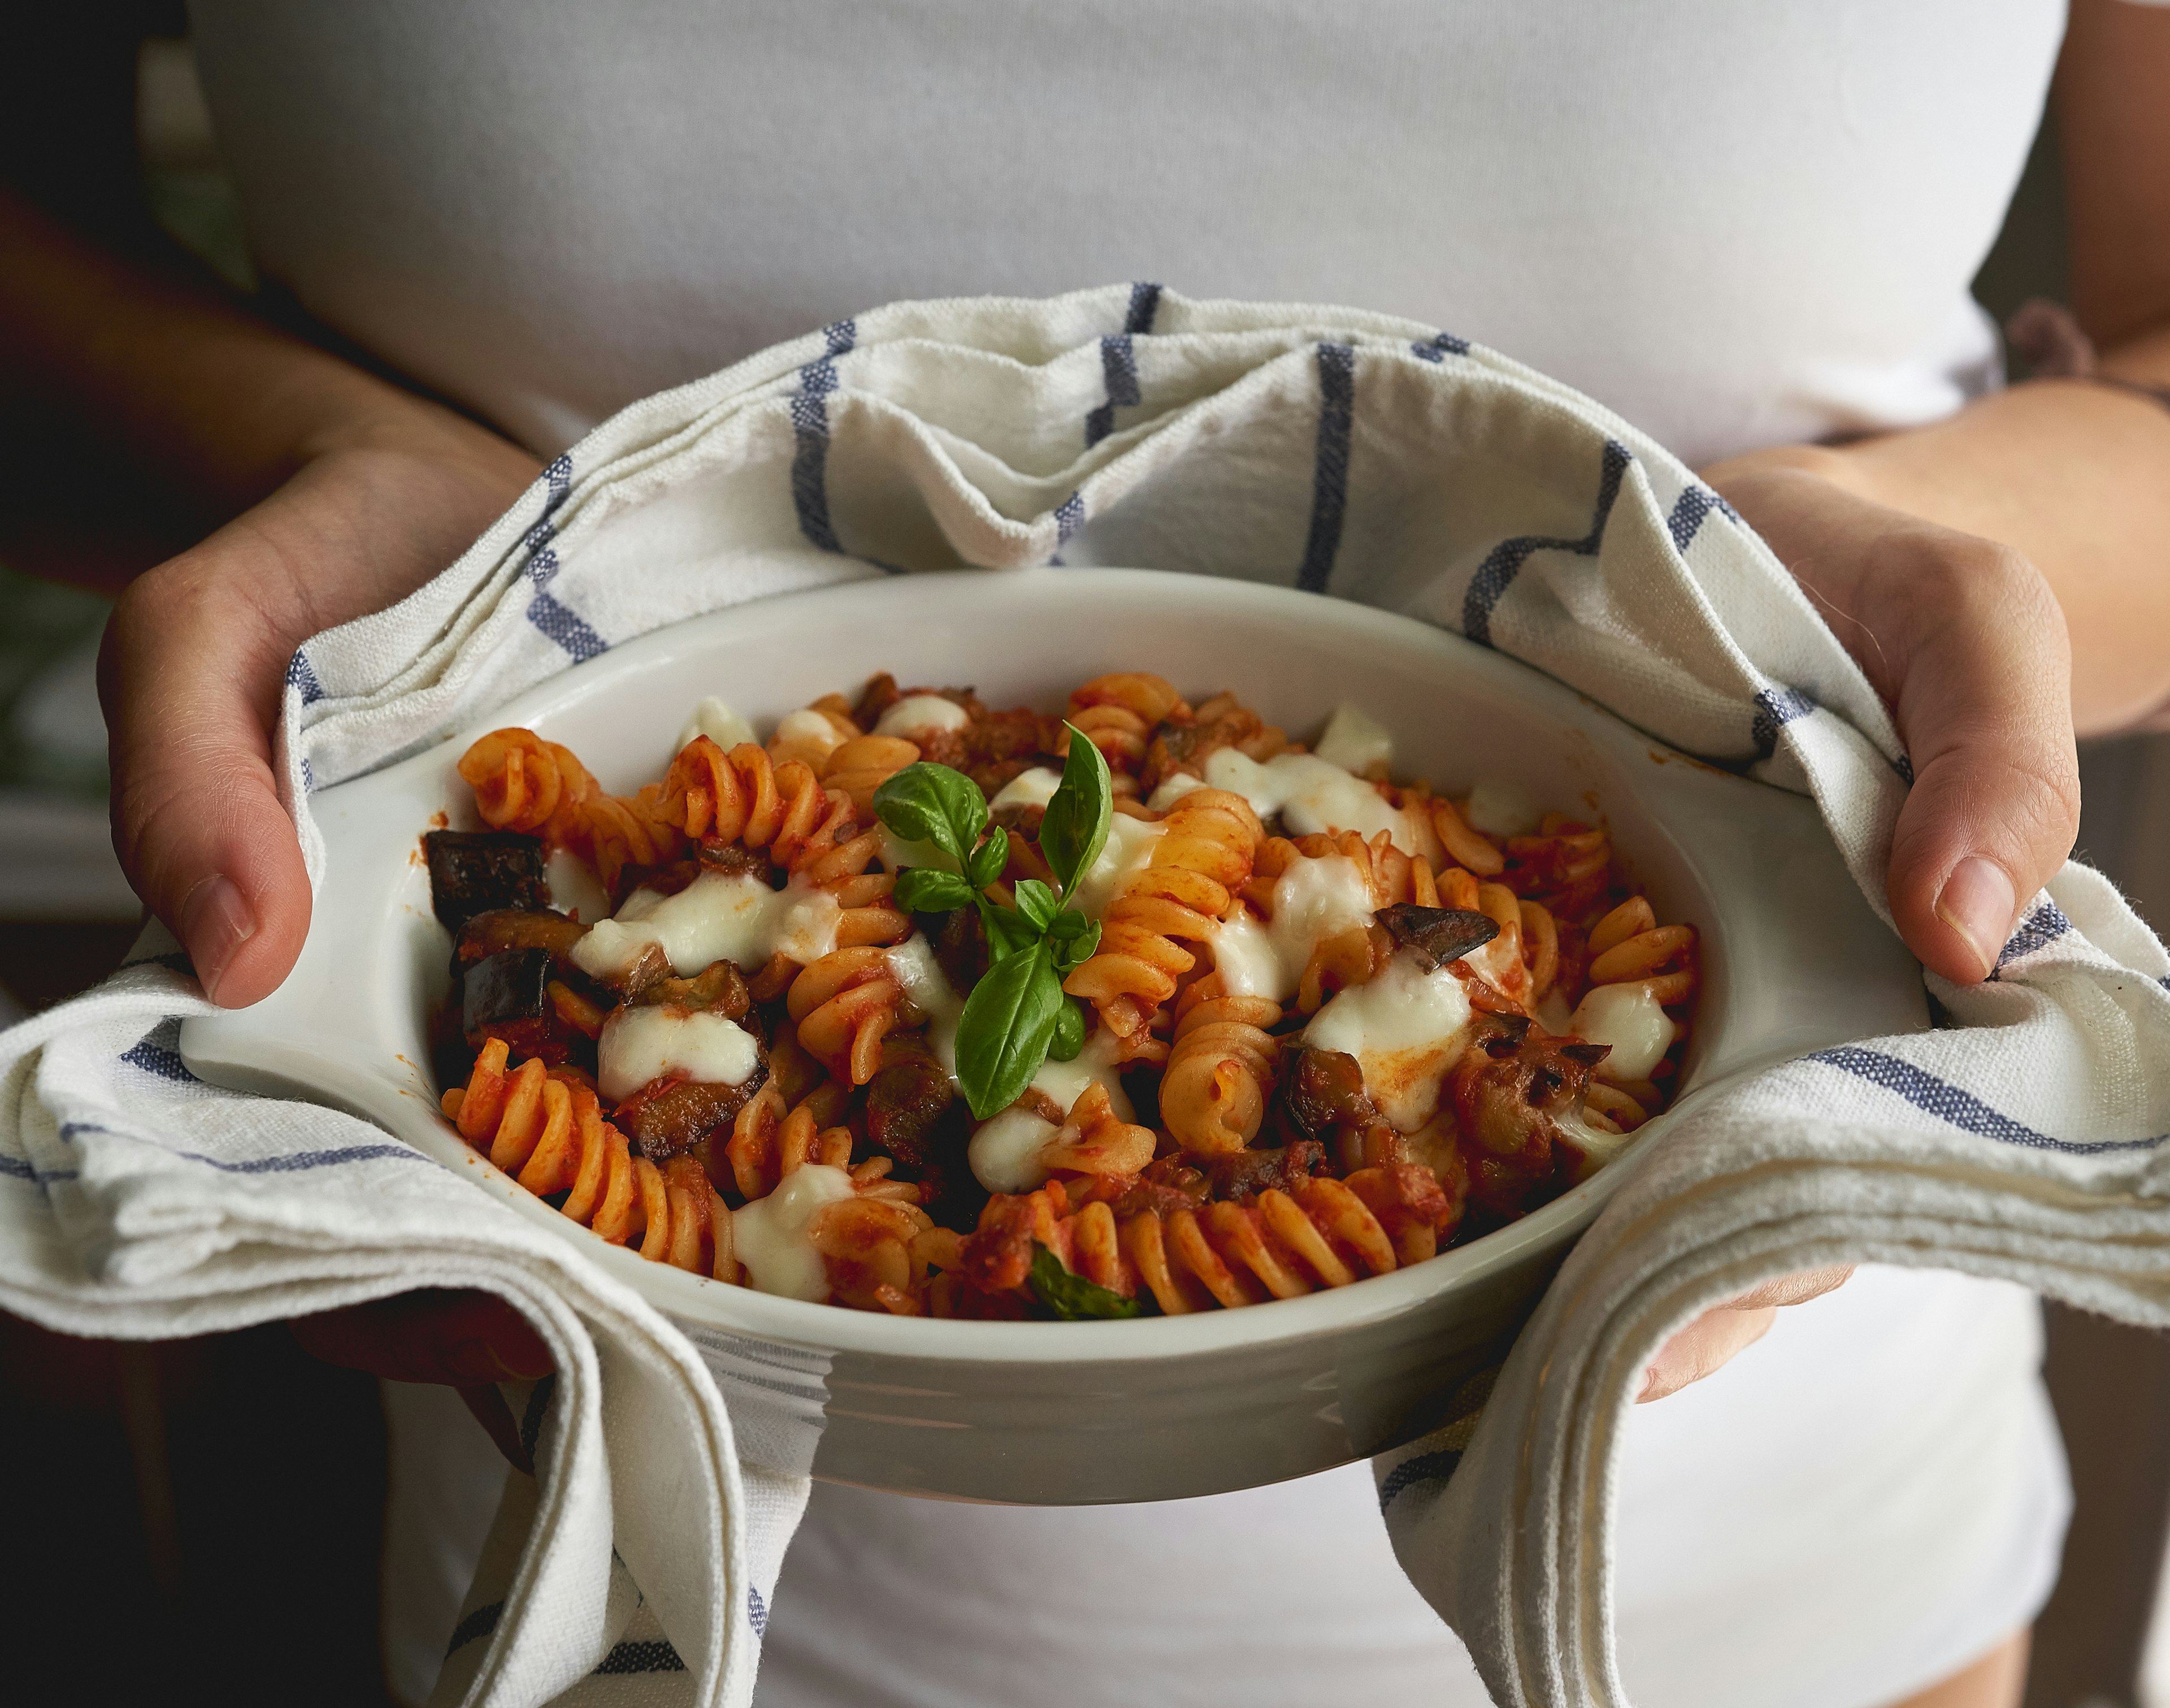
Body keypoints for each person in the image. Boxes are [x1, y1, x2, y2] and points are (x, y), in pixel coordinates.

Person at [5, 3, 2167, 1704]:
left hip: (1756, 1595)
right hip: (626, 1597)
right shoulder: (722, 934)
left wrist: (1857, 589)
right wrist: (323, 466)